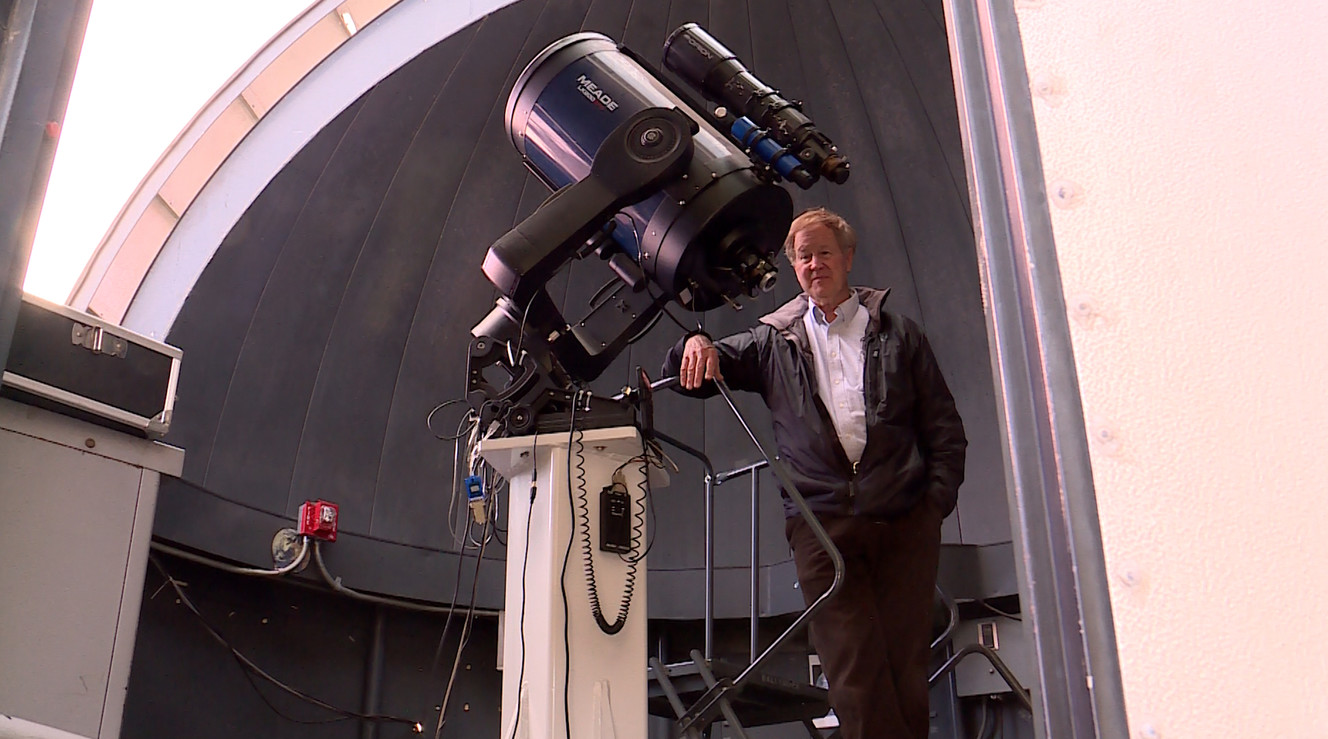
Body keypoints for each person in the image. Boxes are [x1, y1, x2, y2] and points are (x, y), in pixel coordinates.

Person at [661, 207, 967, 739]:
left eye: (824, 252)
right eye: (804, 256)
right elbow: (702, 371)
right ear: (794, 268)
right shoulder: (772, 340)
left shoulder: (898, 333)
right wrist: (693, 340)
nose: (814, 264)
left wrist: (933, 503)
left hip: (904, 519)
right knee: (853, 672)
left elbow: (943, 425)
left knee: (904, 667)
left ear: (847, 258)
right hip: (821, 525)